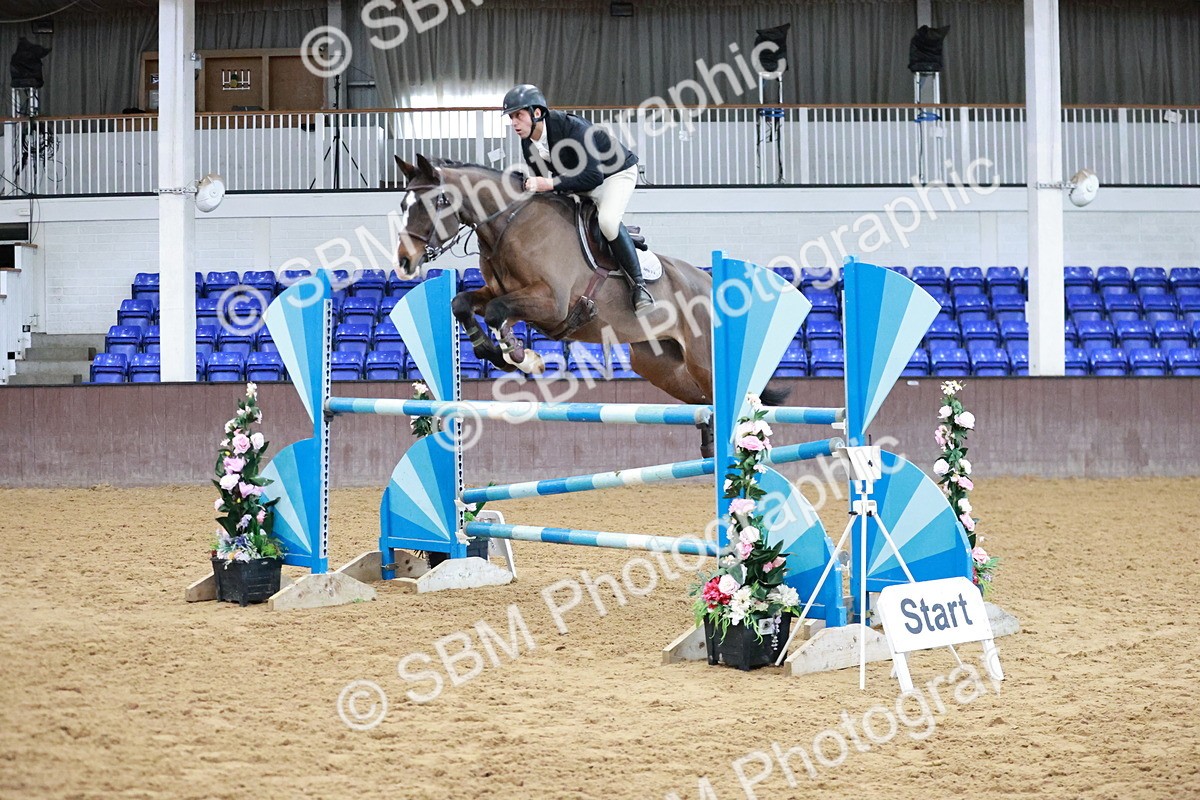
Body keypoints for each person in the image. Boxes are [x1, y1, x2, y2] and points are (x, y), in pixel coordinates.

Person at [501, 84, 653, 313]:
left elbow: (593, 176)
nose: (514, 123)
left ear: (537, 112)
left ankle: (639, 287)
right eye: (511, 117)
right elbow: (545, 186)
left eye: (518, 115)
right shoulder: (528, 144)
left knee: (608, 222)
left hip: (614, 174)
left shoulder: (572, 129)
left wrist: (549, 183)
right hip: (582, 180)